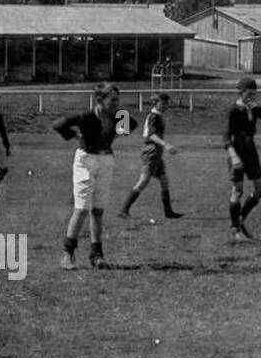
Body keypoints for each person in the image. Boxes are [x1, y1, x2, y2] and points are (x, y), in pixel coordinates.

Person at [52, 83, 138, 270]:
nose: (117, 103)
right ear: (100, 100)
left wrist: (112, 136)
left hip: (106, 160)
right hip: (85, 161)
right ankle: (67, 254)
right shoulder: (86, 116)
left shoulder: (119, 116)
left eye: (118, 99)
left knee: (98, 210)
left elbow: (132, 124)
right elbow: (58, 124)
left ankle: (96, 256)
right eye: (113, 100)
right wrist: (77, 138)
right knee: (82, 208)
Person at [224, 76, 261, 242]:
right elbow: (226, 137)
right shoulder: (233, 111)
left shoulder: (253, 109)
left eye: (254, 93)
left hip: (251, 152)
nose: (252, 96)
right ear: (241, 92)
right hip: (237, 152)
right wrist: (233, 157)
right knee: (238, 190)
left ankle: (239, 219)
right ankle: (235, 230)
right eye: (249, 93)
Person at [117, 93, 185, 220]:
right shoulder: (154, 116)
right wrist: (166, 145)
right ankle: (123, 210)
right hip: (151, 151)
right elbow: (151, 135)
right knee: (143, 181)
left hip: (157, 152)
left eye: (167, 103)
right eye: (163, 103)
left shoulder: (158, 116)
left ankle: (168, 212)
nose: (166, 106)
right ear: (156, 103)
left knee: (164, 181)